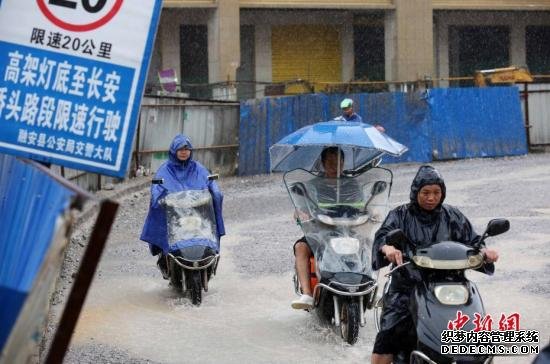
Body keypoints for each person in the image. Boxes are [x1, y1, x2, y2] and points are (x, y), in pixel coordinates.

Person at [370, 165, 499, 364]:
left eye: (436, 192)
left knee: (473, 329)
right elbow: (382, 237)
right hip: (407, 285)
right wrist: (387, 248)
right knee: (388, 337)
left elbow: (473, 242)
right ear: (416, 192)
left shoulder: (452, 216)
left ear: (443, 192)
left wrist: (485, 252)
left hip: (452, 284)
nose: (431, 198)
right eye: (426, 193)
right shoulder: (401, 215)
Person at [140, 134, 225, 278]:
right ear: (174, 151)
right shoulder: (165, 170)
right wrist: (158, 198)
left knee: (208, 230)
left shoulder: (198, 168)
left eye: (187, 149)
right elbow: (157, 188)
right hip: (174, 214)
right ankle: (164, 256)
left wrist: (215, 193)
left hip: (197, 212)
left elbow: (210, 183)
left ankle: (209, 256)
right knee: (160, 220)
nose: (184, 152)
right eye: (180, 149)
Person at [291, 146, 361, 309]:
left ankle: (368, 284)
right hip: (319, 232)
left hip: (347, 231)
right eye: (330, 162)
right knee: (301, 247)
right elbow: (300, 208)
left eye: (338, 162)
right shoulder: (311, 185)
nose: (334, 166)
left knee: (369, 245)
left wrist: (373, 214)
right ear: (322, 163)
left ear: (343, 163)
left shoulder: (353, 184)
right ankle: (307, 294)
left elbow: (363, 208)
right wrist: (299, 213)